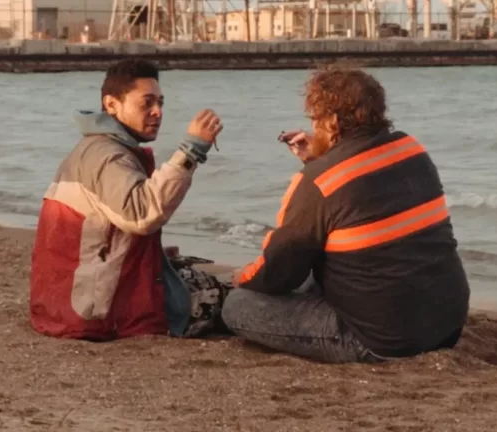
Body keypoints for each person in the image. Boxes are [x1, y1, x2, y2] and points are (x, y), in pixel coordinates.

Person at [221, 65, 470, 363]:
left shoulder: (318, 182)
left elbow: (278, 273)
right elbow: (363, 196)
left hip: (381, 339)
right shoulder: (412, 149)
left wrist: (242, 277)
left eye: (315, 120)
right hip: (447, 323)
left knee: (238, 305)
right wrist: (322, 159)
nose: (313, 128)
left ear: (333, 123)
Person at [29, 58, 232, 341]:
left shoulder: (94, 148)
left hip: (63, 303)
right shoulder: (107, 155)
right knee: (235, 299)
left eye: (161, 102)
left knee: (192, 271)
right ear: (111, 105)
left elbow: (105, 231)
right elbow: (142, 214)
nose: (158, 112)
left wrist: (150, 253)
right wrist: (191, 151)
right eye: (146, 103)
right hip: (96, 312)